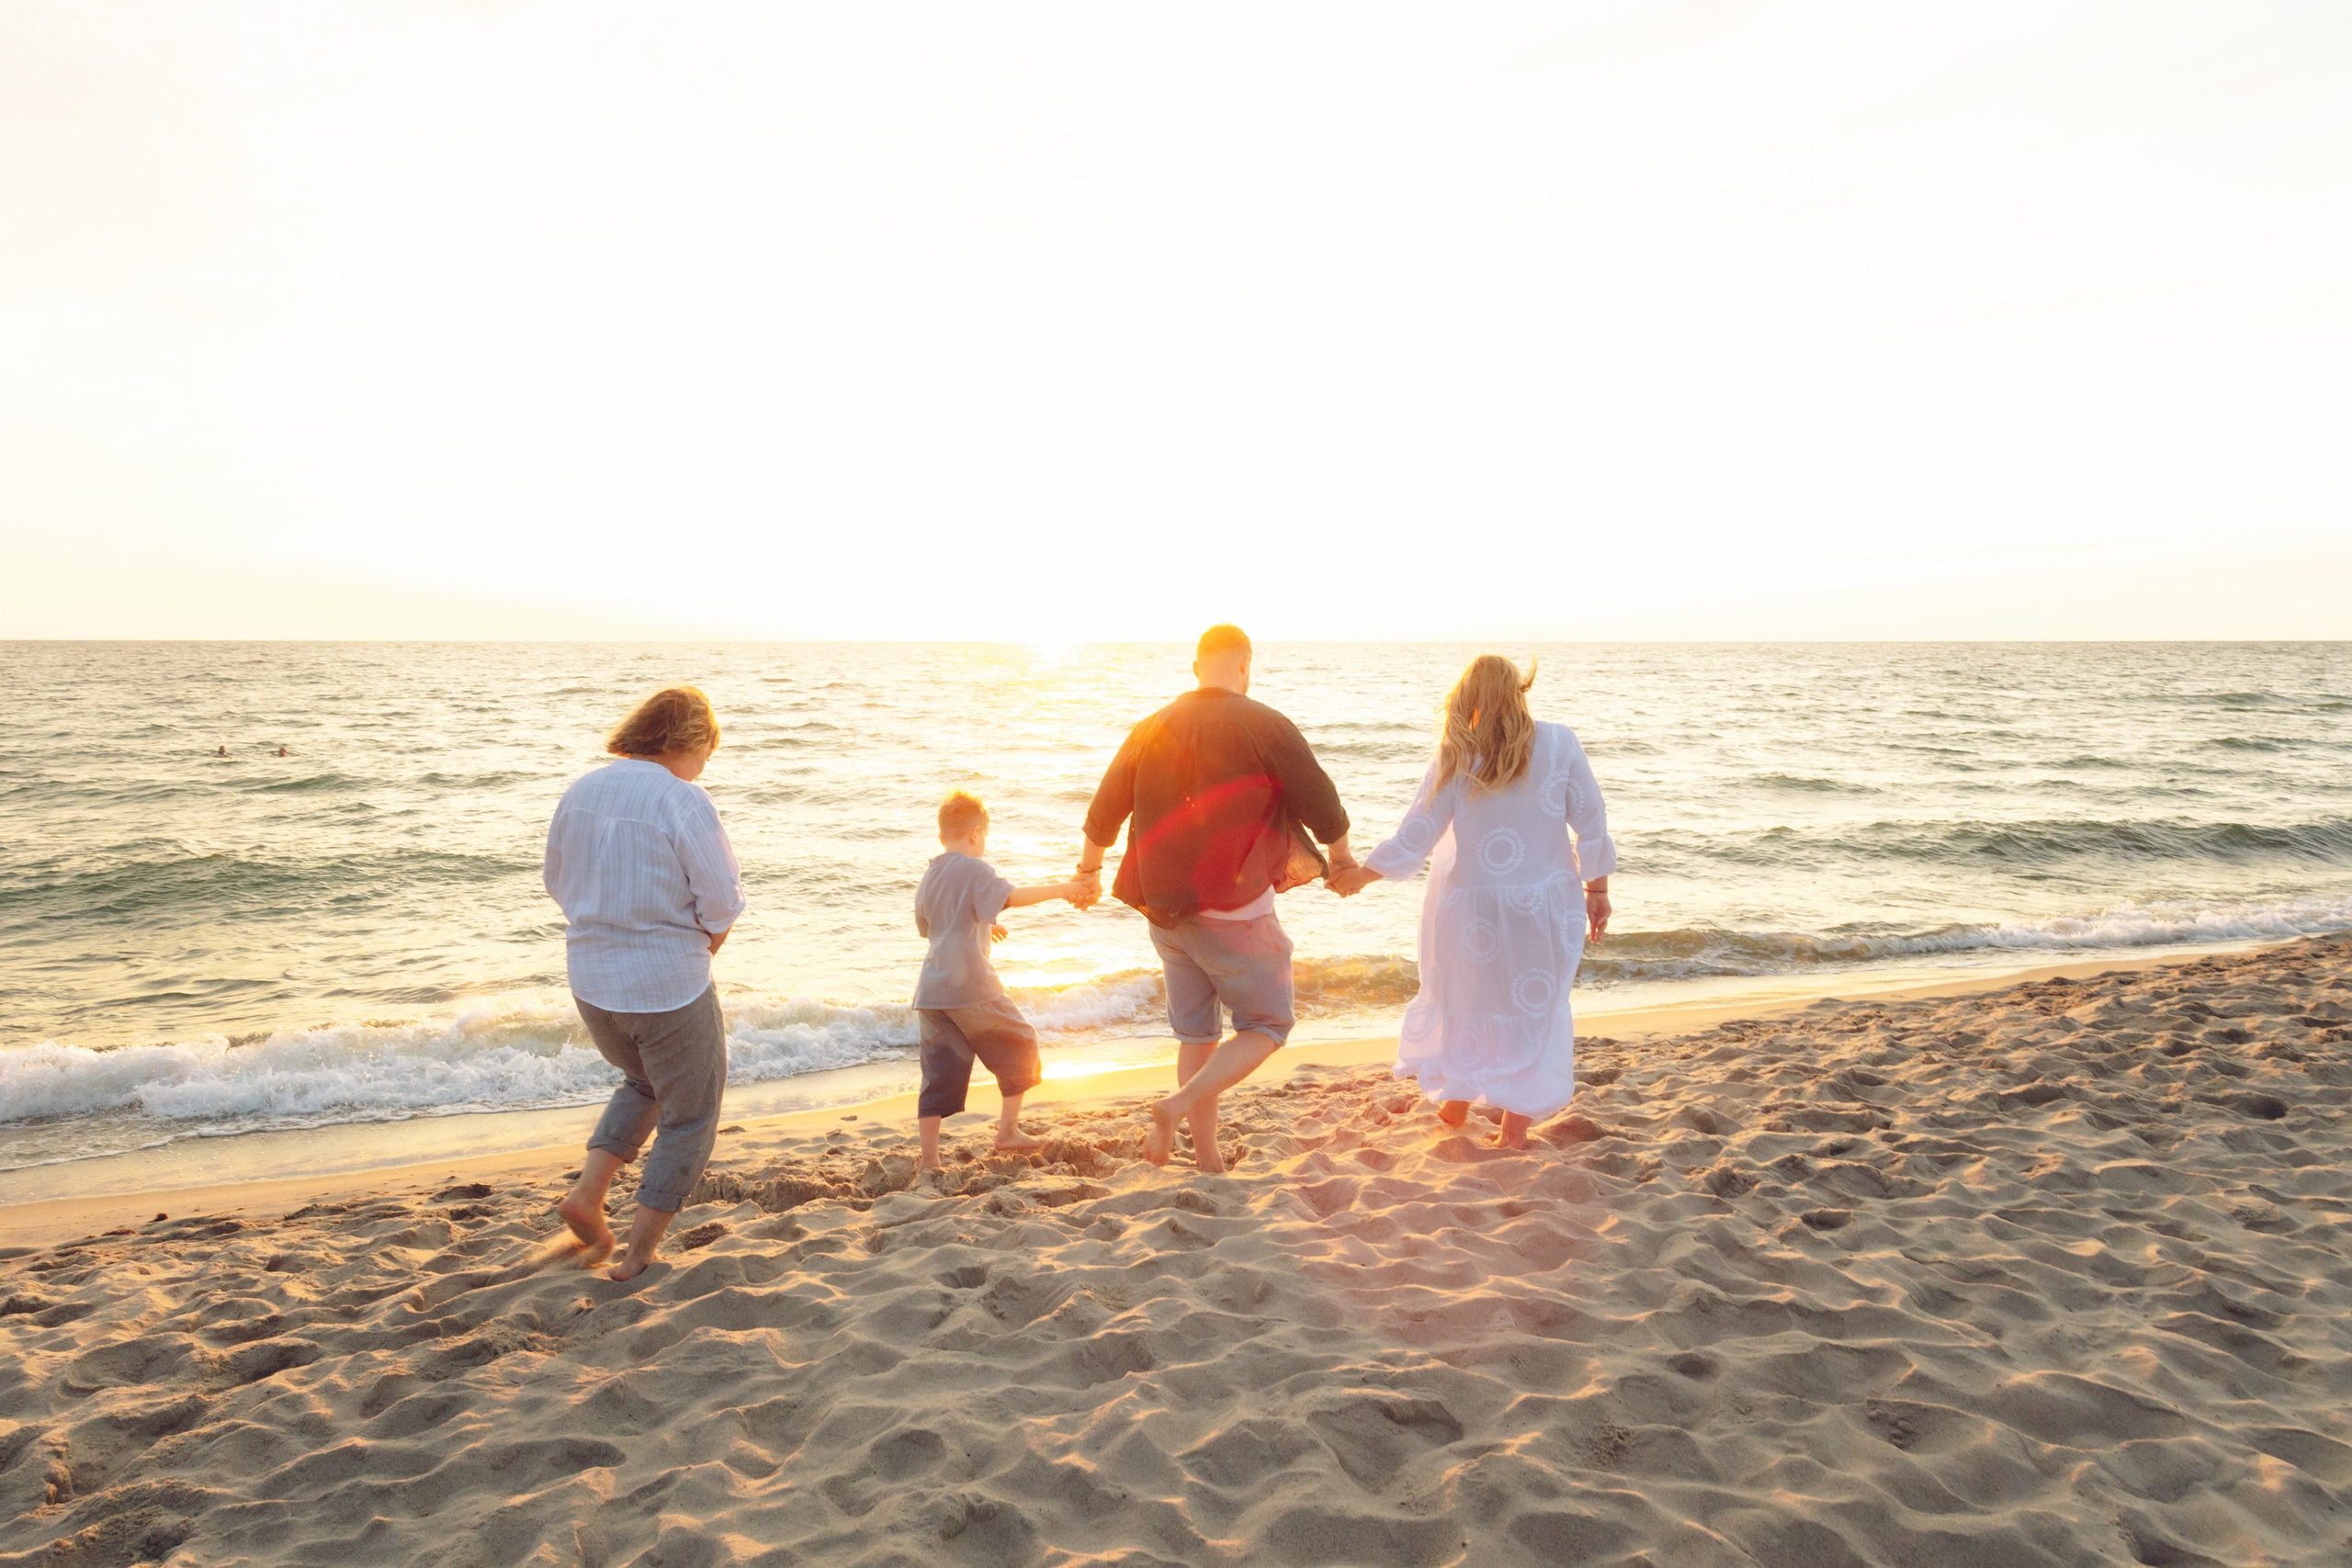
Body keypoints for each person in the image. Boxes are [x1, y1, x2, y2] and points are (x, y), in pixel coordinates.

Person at [1078, 624, 1357, 1169]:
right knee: (1269, 1025)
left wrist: (1088, 872)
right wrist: (1342, 860)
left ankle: (1208, 1160)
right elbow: (1323, 805)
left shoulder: (1150, 727)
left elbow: (1103, 811)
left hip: (1164, 913)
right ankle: (1176, 1107)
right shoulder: (1264, 723)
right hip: (1233, 912)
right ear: (1245, 664)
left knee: (1197, 1036)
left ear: (1196, 667)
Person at [1329, 656, 1614, 1149]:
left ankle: (1459, 1101)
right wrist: (1598, 889)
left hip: (1471, 910)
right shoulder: (1560, 742)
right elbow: (1590, 819)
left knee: (1469, 1000)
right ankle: (1509, 1131)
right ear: (1519, 693)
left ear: (1469, 701)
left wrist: (1362, 875)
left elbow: (1417, 833)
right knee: (1531, 1009)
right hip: (1543, 904)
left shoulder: (1456, 753)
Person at [543, 685, 748, 1280]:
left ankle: (587, 1194)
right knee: (691, 1113)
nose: (708, 762)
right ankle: (636, 1256)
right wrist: (703, 942)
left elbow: (556, 881)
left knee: (643, 1080)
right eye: (709, 748)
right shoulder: (683, 800)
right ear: (688, 739)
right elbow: (723, 901)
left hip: (592, 982)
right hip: (667, 988)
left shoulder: (582, 791)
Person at [913, 791, 1092, 1170]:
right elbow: (1012, 896)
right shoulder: (974, 868)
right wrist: (1064, 889)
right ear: (976, 834)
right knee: (1022, 1042)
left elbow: (929, 927)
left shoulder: (929, 875)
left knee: (937, 1075)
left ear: (943, 834)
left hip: (931, 989)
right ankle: (1007, 1131)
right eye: (985, 837)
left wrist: (983, 922)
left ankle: (930, 1160)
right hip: (970, 984)